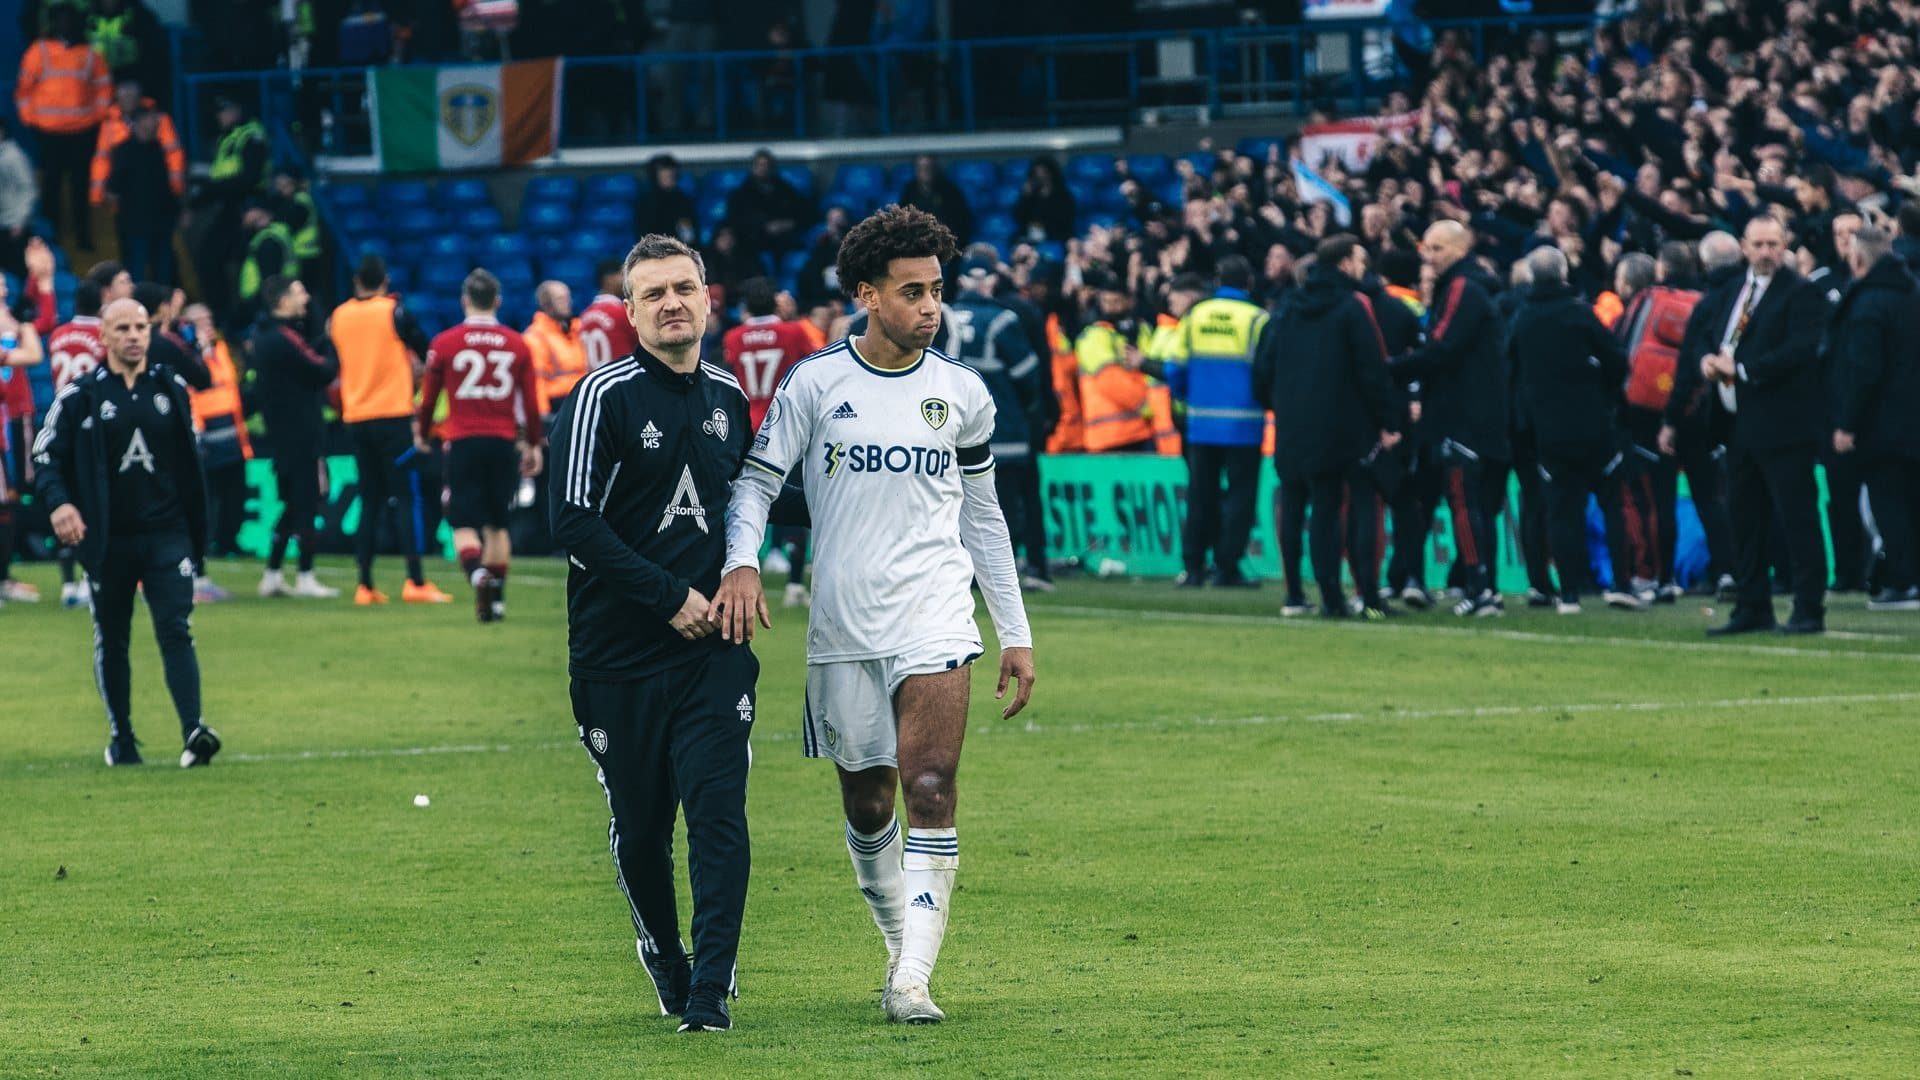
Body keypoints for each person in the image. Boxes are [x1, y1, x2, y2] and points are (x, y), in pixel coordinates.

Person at [715, 204, 1036, 1026]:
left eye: (938, 290)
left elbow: (984, 516)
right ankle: (900, 946)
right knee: (871, 803)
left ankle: (913, 981)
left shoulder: (962, 392)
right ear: (867, 293)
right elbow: (753, 483)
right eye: (913, 292)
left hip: (935, 610)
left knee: (931, 783)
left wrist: (1015, 631)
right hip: (843, 626)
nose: (932, 307)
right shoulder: (817, 382)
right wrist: (742, 562)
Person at [548, 234, 803, 1034]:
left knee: (719, 814)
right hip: (616, 657)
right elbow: (570, 520)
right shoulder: (603, 397)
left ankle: (710, 991)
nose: (671, 303)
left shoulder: (729, 394)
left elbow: (741, 502)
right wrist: (667, 597)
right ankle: (664, 951)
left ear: (707, 297)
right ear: (629, 312)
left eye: (683, 288)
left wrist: (743, 566)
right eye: (653, 293)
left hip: (712, 654)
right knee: (644, 829)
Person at [31, 296, 220, 768]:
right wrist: (61, 504)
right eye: (124, 329)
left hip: (166, 532)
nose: (134, 336)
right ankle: (122, 737)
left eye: (141, 327)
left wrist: (197, 528)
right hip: (109, 537)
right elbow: (44, 456)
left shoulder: (169, 388)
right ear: (104, 337)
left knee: (175, 627)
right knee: (112, 636)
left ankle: (193, 731)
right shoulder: (81, 395)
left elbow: (188, 461)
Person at [1692, 217, 1832, 636]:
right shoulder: (1733, 290)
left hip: (1784, 426)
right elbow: (1707, 333)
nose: (1767, 251)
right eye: (1759, 244)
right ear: (1744, 246)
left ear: (1785, 244)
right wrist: (1706, 361)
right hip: (1737, 427)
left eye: (1774, 243)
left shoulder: (1803, 294)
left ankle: (1809, 607)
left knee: (1797, 518)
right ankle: (1752, 606)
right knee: (1744, 519)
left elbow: (1801, 352)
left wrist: (1743, 370)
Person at [1256, 235, 1402, 618]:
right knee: (1351, 504)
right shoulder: (1354, 306)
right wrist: (1388, 420)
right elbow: (1373, 369)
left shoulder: (1287, 308)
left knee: (1298, 505)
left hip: (1293, 426)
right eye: (1359, 259)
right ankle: (1367, 597)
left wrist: (1283, 407)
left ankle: (1316, 597)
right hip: (1345, 426)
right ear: (1344, 264)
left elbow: (1262, 369)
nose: (1362, 266)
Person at [1391, 221, 1509, 617]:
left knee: (1464, 499)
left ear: (1460, 249)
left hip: (1464, 416)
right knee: (1471, 502)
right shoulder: (1467, 288)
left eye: (1438, 249)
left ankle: (1479, 588)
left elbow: (1441, 349)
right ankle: (1480, 585)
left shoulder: (1461, 289)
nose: (1429, 256)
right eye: (1427, 248)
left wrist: (1387, 370)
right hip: (1476, 413)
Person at [1510, 246, 1636, 614]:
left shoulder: (1522, 319)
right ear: (1565, 274)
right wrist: (1604, 391)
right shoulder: (1580, 314)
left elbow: (1510, 371)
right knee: (1613, 503)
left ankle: (1568, 594)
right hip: (1594, 423)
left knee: (1561, 510)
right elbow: (1617, 359)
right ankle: (1623, 584)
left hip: (1548, 430)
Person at [416, 269, 542, 623]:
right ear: (497, 301)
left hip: (463, 440)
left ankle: (477, 575)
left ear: (465, 300)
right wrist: (532, 444)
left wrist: (423, 434)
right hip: (503, 441)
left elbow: (428, 400)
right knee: (498, 525)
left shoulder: (444, 343)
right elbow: (531, 404)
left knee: (462, 522)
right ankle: (496, 602)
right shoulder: (518, 344)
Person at [331, 255, 447, 605]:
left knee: (370, 501)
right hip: (392, 416)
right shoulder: (393, 311)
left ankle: (364, 584)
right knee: (406, 498)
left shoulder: (339, 316)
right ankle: (415, 581)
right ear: (385, 281)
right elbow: (427, 352)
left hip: (355, 416)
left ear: (356, 282)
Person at [1827, 225, 1920, 612]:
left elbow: (1863, 370)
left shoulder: (1867, 304)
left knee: (1889, 502)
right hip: (1911, 417)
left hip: (1883, 424)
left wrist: (1848, 423)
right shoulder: (1911, 293)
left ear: (1859, 258)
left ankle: (1903, 580)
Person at [949, 252, 1050, 591]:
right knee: (1001, 507)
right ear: (992, 281)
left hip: (950, 434)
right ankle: (1006, 573)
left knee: (956, 506)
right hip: (1002, 431)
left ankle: (963, 571)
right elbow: (1028, 376)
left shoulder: (940, 318)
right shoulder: (1002, 320)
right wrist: (1033, 411)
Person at [1167, 255, 1268, 588]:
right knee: (1239, 498)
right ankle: (1227, 567)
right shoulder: (1257, 319)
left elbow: (1175, 368)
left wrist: (1186, 399)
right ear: (1248, 283)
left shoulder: (1196, 316)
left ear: (1217, 280)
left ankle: (1194, 567)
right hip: (1245, 424)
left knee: (1200, 496)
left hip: (1201, 424)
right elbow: (1268, 371)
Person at [721, 276, 817, 607]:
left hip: (746, 425)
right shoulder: (794, 331)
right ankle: (794, 582)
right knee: (795, 498)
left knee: (748, 495)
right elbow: (816, 368)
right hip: (787, 426)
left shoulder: (733, 336)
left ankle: (742, 561)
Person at [1659, 231, 1742, 599]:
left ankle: (1726, 570)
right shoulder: (1749, 298)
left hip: (1704, 418)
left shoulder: (1705, 305)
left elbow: (1688, 369)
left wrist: (1671, 419)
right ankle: (1757, 569)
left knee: (1710, 497)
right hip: (1751, 412)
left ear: (1705, 264)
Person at [250, 276, 340, 600]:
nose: (306, 298)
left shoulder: (266, 336)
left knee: (291, 504)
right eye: (301, 292)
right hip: (300, 433)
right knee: (306, 503)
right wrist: (329, 341)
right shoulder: (282, 338)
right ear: (283, 300)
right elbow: (322, 370)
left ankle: (273, 574)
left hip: (282, 433)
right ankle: (305, 575)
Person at [15, 2, 111, 252]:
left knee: (81, 186)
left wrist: (97, 116)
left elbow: (103, 85)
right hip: (49, 133)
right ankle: (52, 235)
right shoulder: (39, 51)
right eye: (60, 20)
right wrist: (29, 118)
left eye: (69, 20)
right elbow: (24, 88)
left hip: (81, 131)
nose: (65, 25)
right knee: (51, 186)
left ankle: (82, 235)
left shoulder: (89, 53)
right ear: (53, 23)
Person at [44, 278, 106, 605]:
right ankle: (88, 580)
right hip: (92, 422)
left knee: (67, 498)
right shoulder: (104, 335)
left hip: (61, 416)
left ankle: (68, 584)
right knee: (92, 501)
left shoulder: (58, 335)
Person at [180, 302, 249, 564]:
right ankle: (205, 543)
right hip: (205, 436)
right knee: (208, 495)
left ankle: (229, 540)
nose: (207, 324)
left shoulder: (222, 349)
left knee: (235, 493)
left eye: (209, 319)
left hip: (231, 433)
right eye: (200, 320)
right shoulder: (187, 354)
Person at [1074, 272, 1154, 454]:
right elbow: (1111, 382)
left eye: (1116, 302)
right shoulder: (1094, 336)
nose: (1111, 308)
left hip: (1143, 431)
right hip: (1109, 436)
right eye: (1106, 302)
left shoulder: (1143, 330)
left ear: (1129, 301)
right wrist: (1150, 405)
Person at [88, 78, 183, 215]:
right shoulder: (109, 125)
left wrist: (176, 187)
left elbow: (174, 153)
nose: (128, 101)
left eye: (132, 97)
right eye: (124, 97)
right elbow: (102, 159)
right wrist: (97, 195)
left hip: (154, 184)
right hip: (124, 189)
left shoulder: (159, 119)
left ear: (139, 98)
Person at [105, 108, 178, 284]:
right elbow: (113, 187)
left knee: (163, 270)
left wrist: (177, 211)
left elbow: (165, 187)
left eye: (155, 121)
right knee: (136, 269)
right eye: (149, 121)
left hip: (161, 221)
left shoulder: (158, 149)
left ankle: (163, 307)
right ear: (137, 123)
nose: (153, 125)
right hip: (135, 222)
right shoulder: (124, 150)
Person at [725, 149, 815, 260]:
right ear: (753, 167)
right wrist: (764, 226)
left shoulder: (785, 189)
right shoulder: (741, 193)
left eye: (767, 165)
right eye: (759, 165)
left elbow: (805, 211)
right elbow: (737, 219)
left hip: (784, 238)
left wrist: (789, 224)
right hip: (753, 240)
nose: (763, 168)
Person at [525, 279, 586, 414]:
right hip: (558, 407)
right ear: (546, 304)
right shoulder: (535, 338)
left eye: (567, 297)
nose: (567, 303)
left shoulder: (577, 331)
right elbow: (537, 382)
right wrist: (543, 418)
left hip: (583, 400)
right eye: (560, 299)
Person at [898, 155, 973, 249]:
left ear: (935, 169)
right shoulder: (909, 191)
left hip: (945, 242)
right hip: (916, 242)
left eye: (928, 168)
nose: (925, 172)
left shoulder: (950, 191)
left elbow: (961, 222)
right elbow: (902, 218)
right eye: (921, 168)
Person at [577, 259, 638, 371]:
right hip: (623, 377)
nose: (626, 281)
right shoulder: (621, 311)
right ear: (609, 279)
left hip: (595, 380)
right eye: (622, 275)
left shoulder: (584, 315)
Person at [0, 119, 37, 278]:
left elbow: (28, 189)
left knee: (18, 271)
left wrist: (19, 220)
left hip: (13, 225)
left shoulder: (13, 156)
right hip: (2, 222)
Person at [634, 154, 697, 245]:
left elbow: (688, 234)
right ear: (655, 176)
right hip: (653, 252)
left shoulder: (683, 200)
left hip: (680, 250)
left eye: (671, 176)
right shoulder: (645, 202)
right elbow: (643, 235)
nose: (669, 178)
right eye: (665, 176)